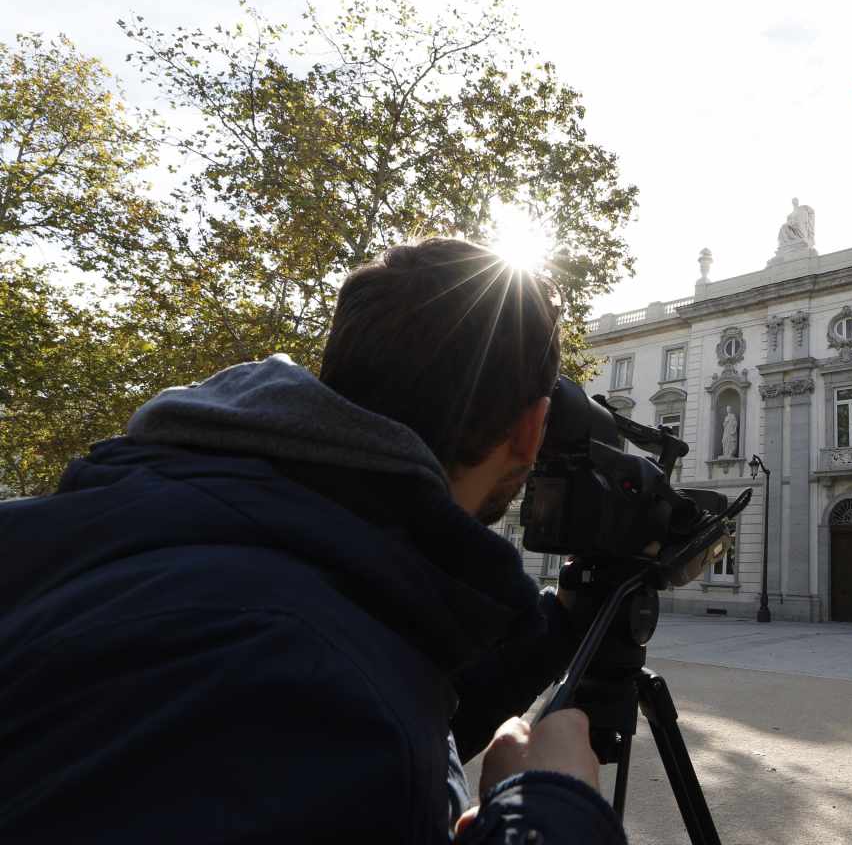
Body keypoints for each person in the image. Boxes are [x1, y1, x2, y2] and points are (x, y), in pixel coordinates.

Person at [0, 239, 625, 843]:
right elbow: (339, 720)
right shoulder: (309, 686)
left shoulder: (144, 520)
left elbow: (385, 696)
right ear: (532, 429)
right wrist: (551, 814)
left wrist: (563, 622)